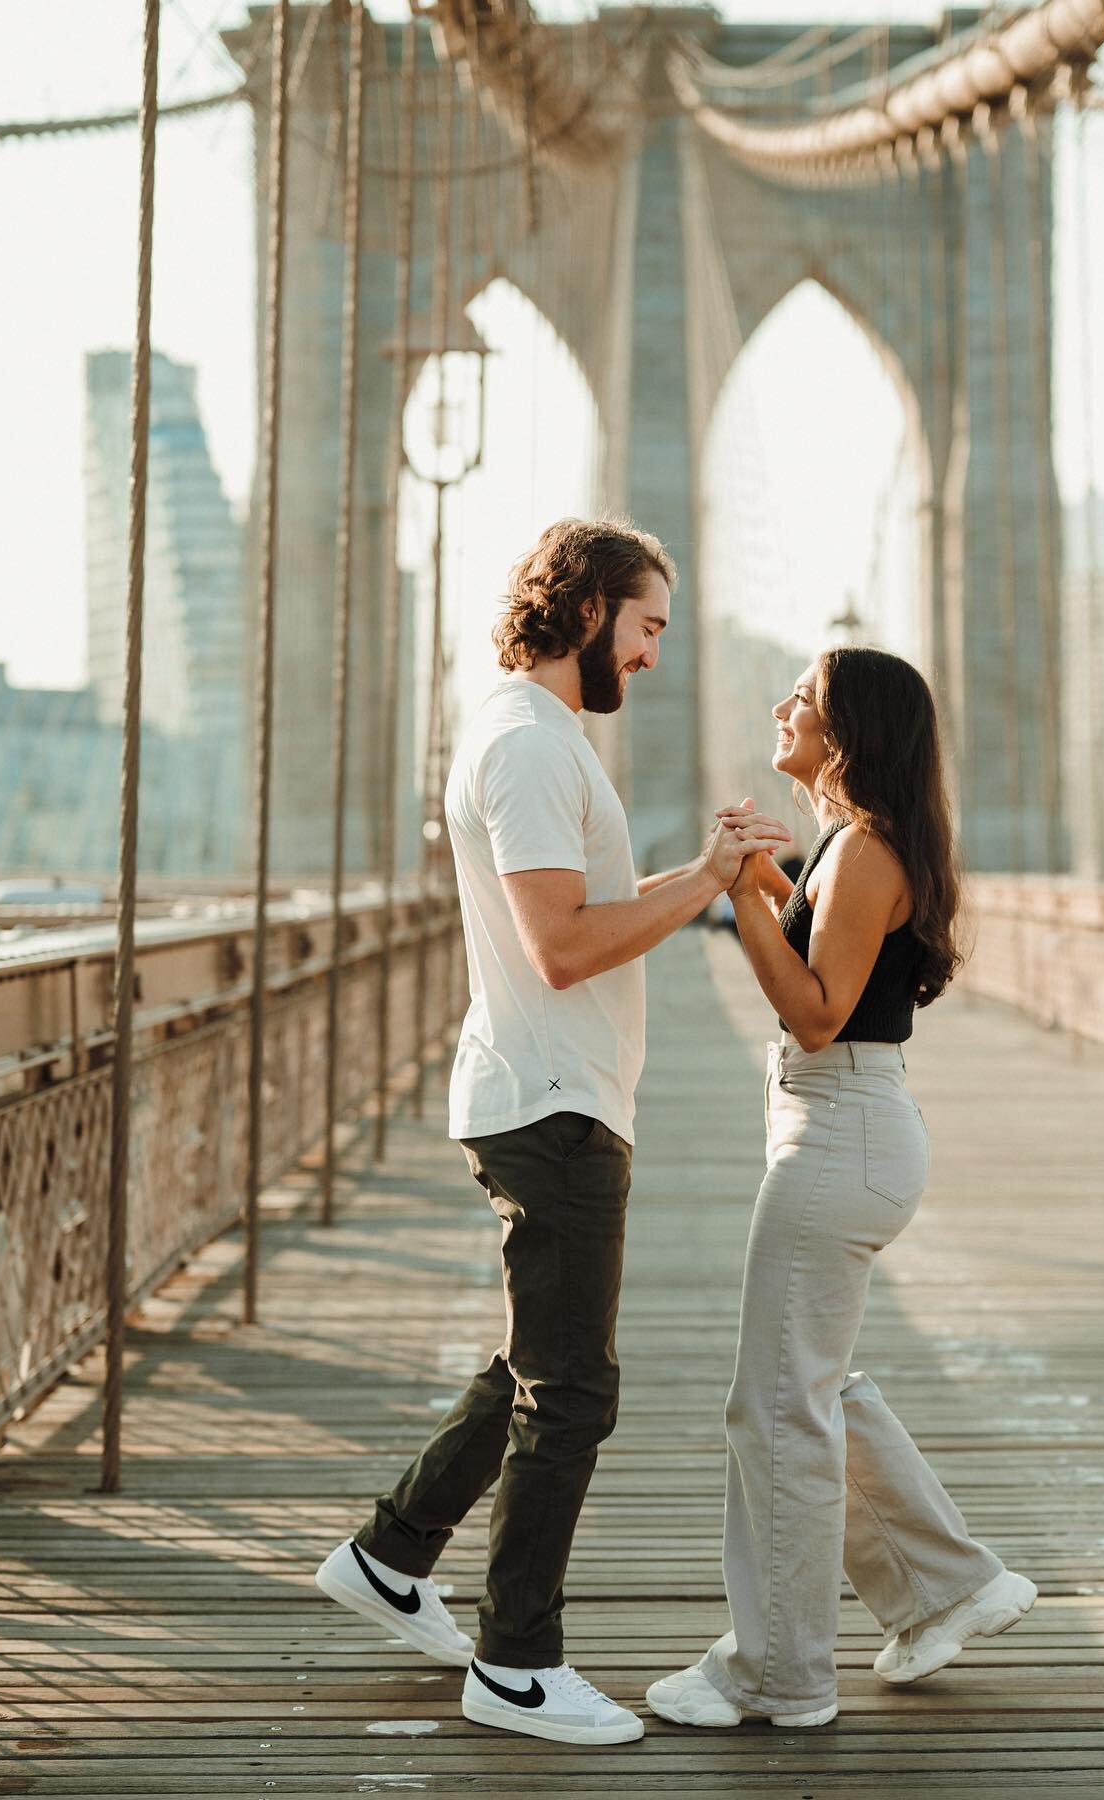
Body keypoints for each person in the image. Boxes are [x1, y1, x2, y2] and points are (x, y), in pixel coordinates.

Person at [314, 517, 786, 1748]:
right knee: (572, 1391)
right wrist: (707, 881)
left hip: (553, 1093)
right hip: (550, 1104)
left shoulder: (539, 738)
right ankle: (516, 1664)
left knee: (536, 1360)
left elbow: (577, 922)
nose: (654, 656)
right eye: (646, 626)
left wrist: (702, 871)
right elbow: (562, 945)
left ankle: (389, 1556)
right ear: (584, 611)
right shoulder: (527, 748)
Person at [646, 645, 1036, 1730]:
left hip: (840, 1130)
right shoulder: (847, 846)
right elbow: (830, 951)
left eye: (803, 701)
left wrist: (739, 901)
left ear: (848, 733)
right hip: (846, 1127)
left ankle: (781, 1673)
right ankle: (951, 1586)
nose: (780, 708)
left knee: (776, 1407)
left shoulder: (865, 851)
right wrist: (765, 878)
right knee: (812, 1388)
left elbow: (816, 1009)